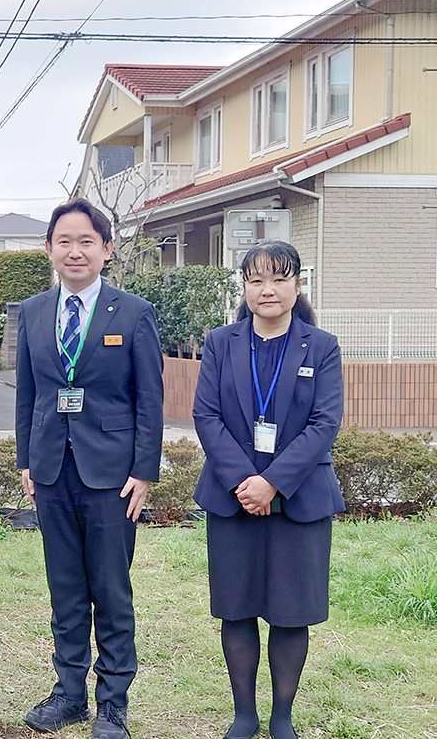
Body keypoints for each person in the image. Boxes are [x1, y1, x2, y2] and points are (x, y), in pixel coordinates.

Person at [15, 198, 164, 739]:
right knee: (65, 587)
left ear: (106, 248)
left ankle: (113, 701)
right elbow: (28, 395)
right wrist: (27, 462)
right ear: (49, 248)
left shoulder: (133, 312)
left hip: (113, 475)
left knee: (110, 587)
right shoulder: (31, 312)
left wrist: (144, 470)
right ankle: (68, 693)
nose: (74, 251)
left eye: (86, 242)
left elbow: (150, 398)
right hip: (52, 469)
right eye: (64, 241)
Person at [193, 241, 345, 739]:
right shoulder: (221, 342)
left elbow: (325, 423)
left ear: (297, 284)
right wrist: (245, 481)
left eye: (279, 278)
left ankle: (282, 715)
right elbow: (206, 416)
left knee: (289, 610)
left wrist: (273, 482)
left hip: (299, 501)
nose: (268, 289)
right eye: (256, 279)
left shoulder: (321, 346)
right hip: (232, 499)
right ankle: (244, 714)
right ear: (244, 287)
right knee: (236, 608)